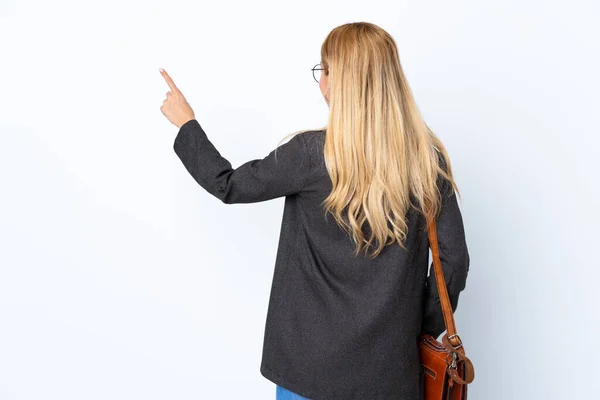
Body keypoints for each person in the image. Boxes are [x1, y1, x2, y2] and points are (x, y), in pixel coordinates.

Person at [159, 21, 470, 400]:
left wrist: (187, 123)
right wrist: (412, 327)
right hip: (390, 374)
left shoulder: (309, 155)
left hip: (307, 372)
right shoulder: (426, 162)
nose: (320, 79)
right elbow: (453, 264)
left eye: (323, 69)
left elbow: (228, 184)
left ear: (337, 82)